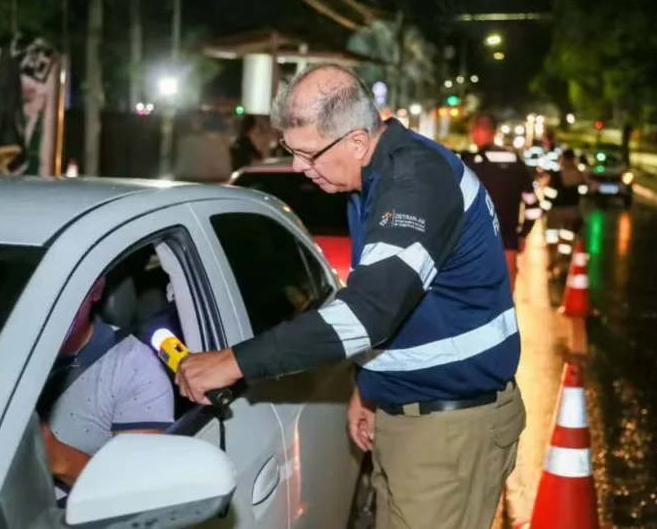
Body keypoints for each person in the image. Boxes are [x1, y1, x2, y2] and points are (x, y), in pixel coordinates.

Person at [174, 64, 525, 529]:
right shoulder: (370, 178)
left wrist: (231, 362)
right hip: (419, 418)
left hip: (450, 430)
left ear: (357, 142)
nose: (300, 167)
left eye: (308, 154)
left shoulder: (416, 184)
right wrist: (370, 384)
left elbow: (369, 313)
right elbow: (391, 301)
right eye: (291, 150)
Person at [38, 277, 174, 500]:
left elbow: (144, 492)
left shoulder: (133, 366)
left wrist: (60, 459)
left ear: (96, 290)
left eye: (67, 288)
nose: (52, 303)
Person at [462, 112, 541, 290]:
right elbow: (533, 207)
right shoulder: (515, 162)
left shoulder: (470, 164)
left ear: (477, 131)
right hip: (507, 244)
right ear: (494, 132)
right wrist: (523, 234)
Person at [542, 148, 586, 274]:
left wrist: (544, 209)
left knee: (552, 237)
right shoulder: (579, 175)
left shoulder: (557, 175)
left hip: (556, 211)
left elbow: (550, 194)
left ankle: (553, 260)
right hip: (572, 211)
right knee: (567, 238)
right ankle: (564, 262)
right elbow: (583, 193)